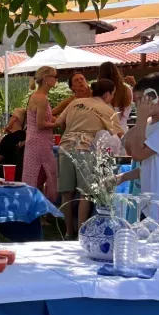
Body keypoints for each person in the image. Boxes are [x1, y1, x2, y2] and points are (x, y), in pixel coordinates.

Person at [54, 79, 124, 238]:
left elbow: (59, 122)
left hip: (65, 147)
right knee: (85, 193)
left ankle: (68, 231)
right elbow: (119, 134)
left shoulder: (75, 102)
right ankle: (81, 233)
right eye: (112, 95)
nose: (112, 98)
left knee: (67, 192)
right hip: (84, 149)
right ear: (107, 94)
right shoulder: (107, 109)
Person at [22, 65, 58, 202]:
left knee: (38, 175)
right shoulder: (42, 98)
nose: (56, 79)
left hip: (36, 141)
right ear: (46, 79)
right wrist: (59, 124)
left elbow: (46, 118)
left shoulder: (36, 96)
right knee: (43, 175)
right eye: (54, 76)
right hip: (39, 142)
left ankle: (38, 210)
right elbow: (41, 124)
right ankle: (39, 210)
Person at [123, 74, 159, 197]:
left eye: (141, 99)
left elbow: (137, 155)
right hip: (150, 204)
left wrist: (141, 119)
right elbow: (128, 146)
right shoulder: (150, 124)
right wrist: (121, 177)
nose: (138, 106)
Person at [0, 107, 27, 179]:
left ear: (15, 118)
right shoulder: (26, 137)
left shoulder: (10, 138)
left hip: (3, 174)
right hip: (21, 175)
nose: (9, 118)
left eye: (11, 115)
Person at [97, 60, 133, 131]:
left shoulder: (99, 92)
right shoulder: (127, 90)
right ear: (117, 72)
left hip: (104, 133)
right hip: (123, 131)